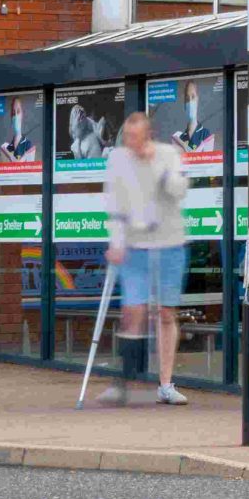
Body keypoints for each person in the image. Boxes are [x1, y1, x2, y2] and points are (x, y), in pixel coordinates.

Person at [100, 112, 191, 406]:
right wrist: (115, 242)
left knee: (166, 314)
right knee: (133, 311)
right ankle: (122, 382)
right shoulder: (118, 160)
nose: (130, 143)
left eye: (135, 137)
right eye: (127, 136)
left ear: (148, 135)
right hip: (135, 245)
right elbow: (113, 204)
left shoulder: (169, 155)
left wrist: (160, 170)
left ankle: (165, 385)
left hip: (169, 243)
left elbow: (180, 191)